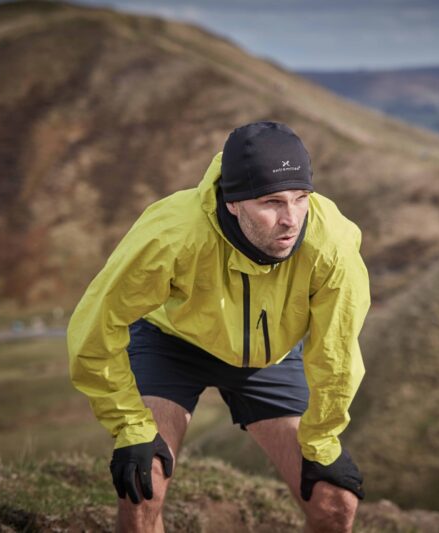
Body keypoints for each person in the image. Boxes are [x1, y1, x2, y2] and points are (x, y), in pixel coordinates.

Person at [67, 121, 370, 532]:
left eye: (301, 198)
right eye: (272, 202)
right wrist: (129, 426)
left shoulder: (332, 244)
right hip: (171, 345)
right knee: (144, 486)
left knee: (335, 502)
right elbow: (95, 328)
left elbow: (336, 354)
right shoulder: (171, 234)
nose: (291, 219)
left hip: (270, 357)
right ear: (232, 202)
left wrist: (322, 442)